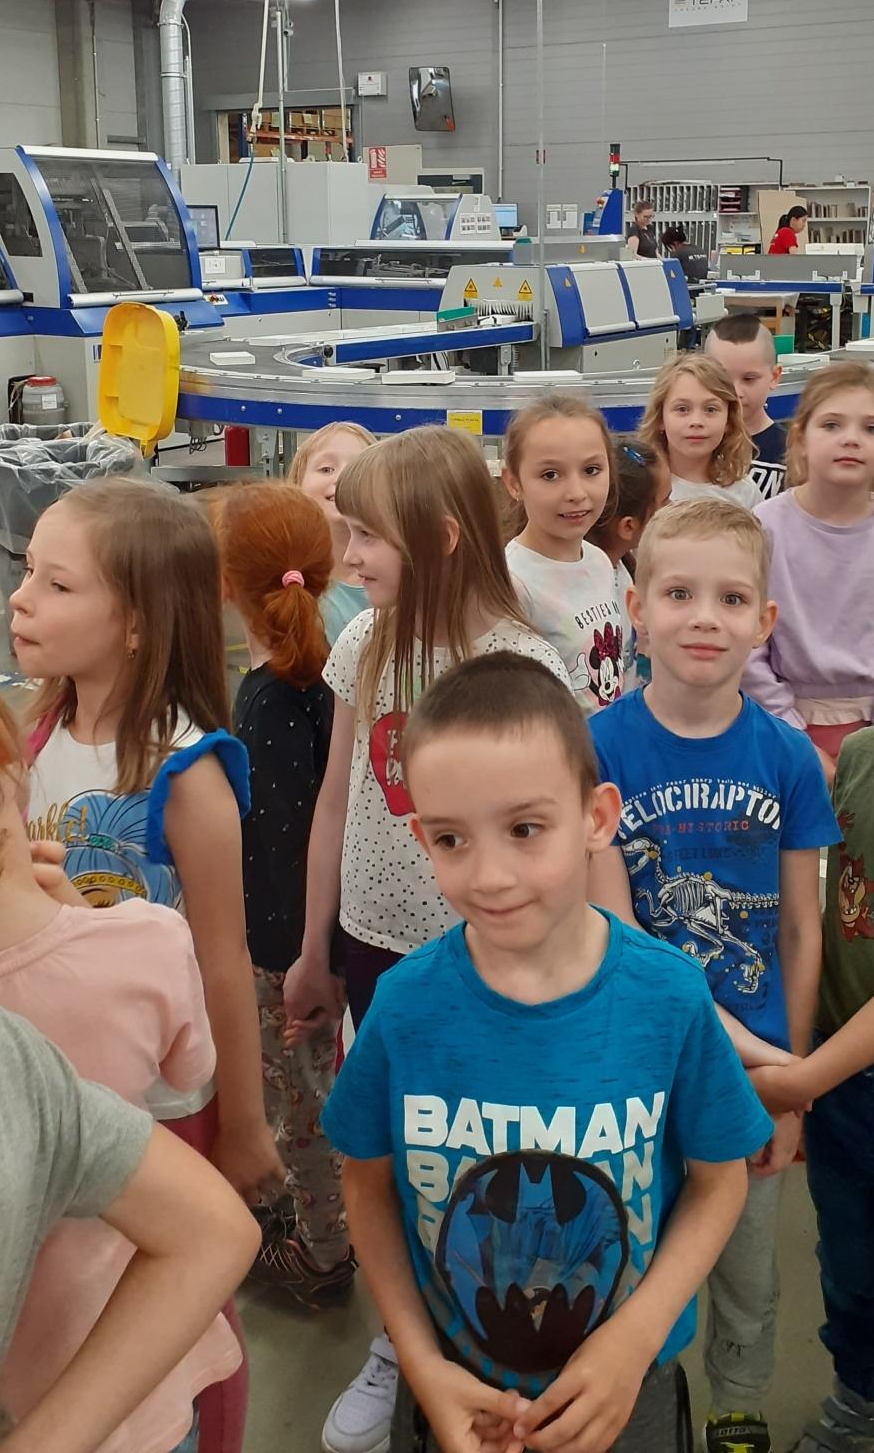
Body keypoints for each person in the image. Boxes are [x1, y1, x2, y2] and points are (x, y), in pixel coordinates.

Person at [322, 651, 773, 1453]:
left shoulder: (668, 998)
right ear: (420, 836)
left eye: (524, 829)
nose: (490, 876)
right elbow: (367, 1185)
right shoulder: (404, 1006)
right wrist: (418, 1363)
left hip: (624, 1392)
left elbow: (718, 1181)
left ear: (597, 818)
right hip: (450, 1393)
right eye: (451, 839)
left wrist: (635, 1337)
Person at [283, 427, 570, 1453]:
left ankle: (478, 1335)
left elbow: (553, 835)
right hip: (373, 946)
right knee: (396, 1154)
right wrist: (314, 947)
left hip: (486, 954)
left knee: (479, 1155)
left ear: (441, 538)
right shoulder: (366, 640)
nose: (349, 553)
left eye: (368, 535)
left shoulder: (523, 665)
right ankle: (396, 1342)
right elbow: (336, 798)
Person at [12, 477, 280, 1453]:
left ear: (134, 622)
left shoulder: (185, 771)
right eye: (26, 573)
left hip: (165, 1099)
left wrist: (243, 1125)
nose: (20, 599)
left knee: (167, 1305)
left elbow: (224, 963)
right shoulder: (31, 731)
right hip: (56, 1081)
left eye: (56, 585)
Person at [587, 498, 840, 1453]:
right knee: (632, 1243)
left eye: (731, 599)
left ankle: (737, 1398)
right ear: (636, 607)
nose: (704, 618)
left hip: (755, 1070)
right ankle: (634, 1394)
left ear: (763, 621)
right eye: (678, 594)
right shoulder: (596, 746)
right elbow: (618, 933)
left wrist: (791, 1080)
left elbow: (802, 928)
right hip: (638, 1058)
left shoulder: (786, 757)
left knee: (747, 1264)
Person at [0, 697, 245, 1453]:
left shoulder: (189, 767)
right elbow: (189, 1067)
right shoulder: (147, 941)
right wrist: (97, 926)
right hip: (130, 1361)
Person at [0, 1006, 258, 1453]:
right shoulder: (18, 1059)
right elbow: (190, 1060)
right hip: (126, 1351)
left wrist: (243, 1124)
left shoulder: (18, 1061)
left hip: (120, 1332)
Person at [214, 479, 353, 1307]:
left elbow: (280, 843)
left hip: (282, 950)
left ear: (225, 585)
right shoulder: (325, 675)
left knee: (300, 1105)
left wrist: (302, 959)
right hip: (311, 937)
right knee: (308, 1091)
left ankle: (324, 1254)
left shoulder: (269, 698)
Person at [752, 710, 874, 1453]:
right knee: (850, 1265)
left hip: (829, 1071)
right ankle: (859, 1395)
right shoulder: (861, 757)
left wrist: (798, 1079)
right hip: (844, 1086)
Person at [743, 361, 874, 783]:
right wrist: (794, 737)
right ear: (800, 439)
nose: (851, 439)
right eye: (832, 425)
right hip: (779, 725)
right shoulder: (765, 527)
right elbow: (746, 643)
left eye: (871, 428)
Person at [502, 394, 624, 713]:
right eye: (550, 475)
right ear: (513, 483)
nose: (576, 493)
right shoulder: (511, 583)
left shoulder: (599, 560)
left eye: (591, 470)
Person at [587, 437, 670, 691]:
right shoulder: (593, 588)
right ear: (628, 527)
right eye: (665, 502)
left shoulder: (624, 570)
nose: (673, 508)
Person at [637, 352, 762, 510]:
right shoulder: (640, 486)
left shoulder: (744, 493)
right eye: (682, 409)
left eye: (710, 409)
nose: (696, 422)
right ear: (660, 417)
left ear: (729, 420)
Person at [289, 423, 375, 646]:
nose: (342, 477)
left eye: (357, 468)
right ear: (297, 485)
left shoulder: (399, 574)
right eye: (326, 469)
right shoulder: (290, 580)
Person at [705, 316, 786, 502]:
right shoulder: (692, 443)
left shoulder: (792, 451)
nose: (736, 392)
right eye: (723, 378)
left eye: (749, 379)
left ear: (774, 377)